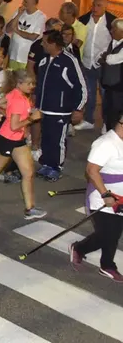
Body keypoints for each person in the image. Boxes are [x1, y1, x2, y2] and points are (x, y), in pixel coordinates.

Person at [0, 69, 46, 218]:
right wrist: (31, 119)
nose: (32, 86)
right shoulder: (19, 100)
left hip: (18, 140)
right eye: (29, 83)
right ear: (19, 83)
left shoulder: (16, 94)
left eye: (33, 83)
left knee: (28, 173)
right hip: (8, 139)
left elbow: (0, 103)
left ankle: (30, 209)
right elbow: (14, 126)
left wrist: (8, 114)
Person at [71, 112, 123, 281]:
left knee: (113, 232)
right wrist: (105, 194)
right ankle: (81, 250)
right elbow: (92, 171)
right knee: (109, 234)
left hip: (120, 194)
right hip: (103, 196)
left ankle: (105, 263)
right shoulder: (106, 144)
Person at [35, 30, 87, 182]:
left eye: (44, 42)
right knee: (47, 137)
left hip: (61, 110)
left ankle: (56, 167)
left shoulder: (69, 60)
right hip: (44, 109)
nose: (42, 44)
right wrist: (37, 104)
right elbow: (40, 86)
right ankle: (46, 163)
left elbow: (81, 86)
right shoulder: (44, 60)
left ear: (52, 43)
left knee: (58, 139)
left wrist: (78, 108)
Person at [77, 0, 118, 131]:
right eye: (94, 5)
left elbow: (116, 43)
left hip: (103, 64)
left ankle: (107, 123)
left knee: (105, 94)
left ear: (106, 7)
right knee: (89, 93)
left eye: (99, 5)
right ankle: (89, 119)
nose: (95, 8)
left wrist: (106, 56)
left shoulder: (112, 22)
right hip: (87, 62)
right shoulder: (83, 20)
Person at [5, 0, 46, 70]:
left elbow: (33, 36)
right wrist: (18, 15)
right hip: (13, 55)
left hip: (26, 57)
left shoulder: (40, 16)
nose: (23, 3)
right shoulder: (19, 11)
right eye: (23, 1)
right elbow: (8, 29)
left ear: (34, 3)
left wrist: (17, 30)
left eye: (26, 2)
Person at [101, 20, 123, 133]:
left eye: (114, 29)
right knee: (107, 109)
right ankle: (109, 129)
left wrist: (105, 57)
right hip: (109, 84)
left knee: (116, 111)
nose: (111, 31)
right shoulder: (112, 42)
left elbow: (112, 59)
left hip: (119, 86)